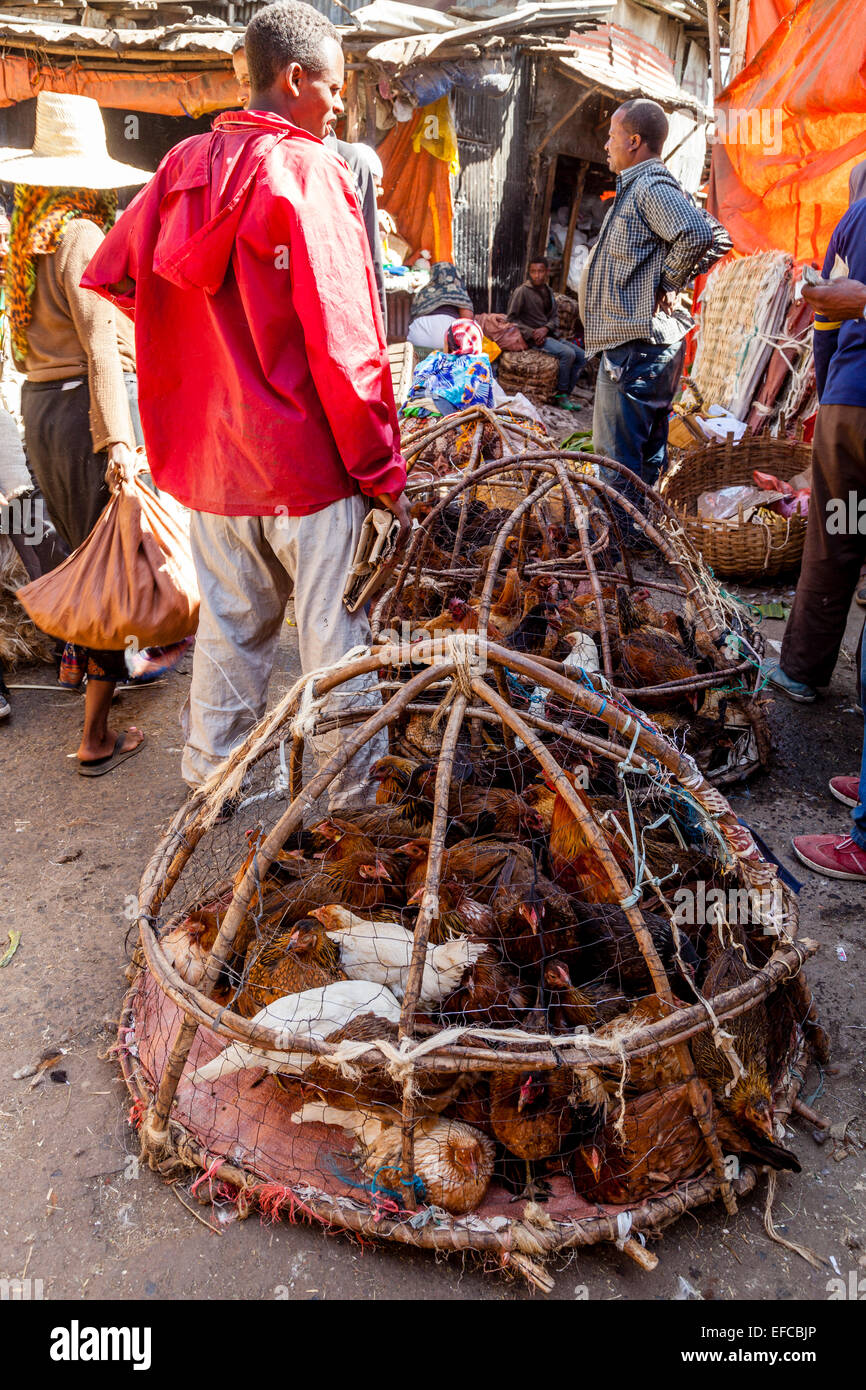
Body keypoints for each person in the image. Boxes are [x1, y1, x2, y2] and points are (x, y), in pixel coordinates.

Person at [84, 0, 408, 806]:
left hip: (214, 465)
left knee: (230, 636)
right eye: (334, 88)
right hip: (309, 468)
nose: (339, 106)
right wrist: (381, 470)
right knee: (335, 646)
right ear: (295, 79)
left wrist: (199, 347)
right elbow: (346, 341)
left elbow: (116, 274)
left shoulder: (179, 165)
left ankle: (217, 797)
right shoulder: (309, 171)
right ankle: (348, 810)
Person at [0, 91, 152, 773]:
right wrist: (120, 443)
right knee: (109, 566)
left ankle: (97, 670)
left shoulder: (28, 241)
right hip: (88, 412)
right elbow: (97, 342)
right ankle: (95, 735)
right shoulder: (82, 233)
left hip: (42, 412)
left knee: (82, 556)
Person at [582, 99, 731, 501]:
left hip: (635, 349)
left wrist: (665, 283)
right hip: (648, 347)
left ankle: (613, 555)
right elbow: (715, 234)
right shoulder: (649, 186)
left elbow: (702, 236)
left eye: (611, 138)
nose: (606, 146)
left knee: (616, 462)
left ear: (633, 141)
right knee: (645, 458)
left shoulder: (650, 186)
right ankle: (639, 541)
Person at [765, 193, 866, 704]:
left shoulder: (854, 217)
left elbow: (824, 318)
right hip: (851, 403)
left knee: (840, 536)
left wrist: (832, 398)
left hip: (851, 411)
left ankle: (802, 671)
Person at [232, 31, 386, 322]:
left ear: (292, 80)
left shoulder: (350, 164)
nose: (242, 94)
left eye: (249, 81)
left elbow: (369, 273)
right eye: (244, 81)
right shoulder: (226, 161)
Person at [506, 256, 584, 409]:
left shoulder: (548, 291)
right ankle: (561, 395)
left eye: (541, 271)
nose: (537, 275)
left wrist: (546, 328)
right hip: (533, 339)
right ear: (529, 272)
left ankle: (565, 393)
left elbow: (554, 318)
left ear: (547, 272)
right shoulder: (522, 291)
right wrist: (532, 333)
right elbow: (512, 319)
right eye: (534, 272)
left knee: (582, 356)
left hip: (549, 335)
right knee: (568, 354)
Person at [403, 319, 493, 417]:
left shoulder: (437, 358)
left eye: (445, 343)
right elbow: (487, 403)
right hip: (454, 418)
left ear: (451, 344)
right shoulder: (481, 364)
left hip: (418, 408)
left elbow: (417, 380)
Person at [407, 261, 474, 351]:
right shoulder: (458, 292)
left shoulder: (423, 292)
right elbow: (467, 321)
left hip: (417, 340)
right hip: (445, 341)